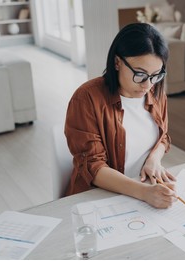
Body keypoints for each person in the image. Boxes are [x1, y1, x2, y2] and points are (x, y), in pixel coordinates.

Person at [64, 23, 177, 209]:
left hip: (142, 192)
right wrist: (144, 193)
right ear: (117, 62)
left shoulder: (156, 94)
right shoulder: (86, 98)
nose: (148, 85)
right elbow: (93, 166)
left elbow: (163, 137)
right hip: (98, 198)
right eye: (140, 74)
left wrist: (153, 160)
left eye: (156, 75)